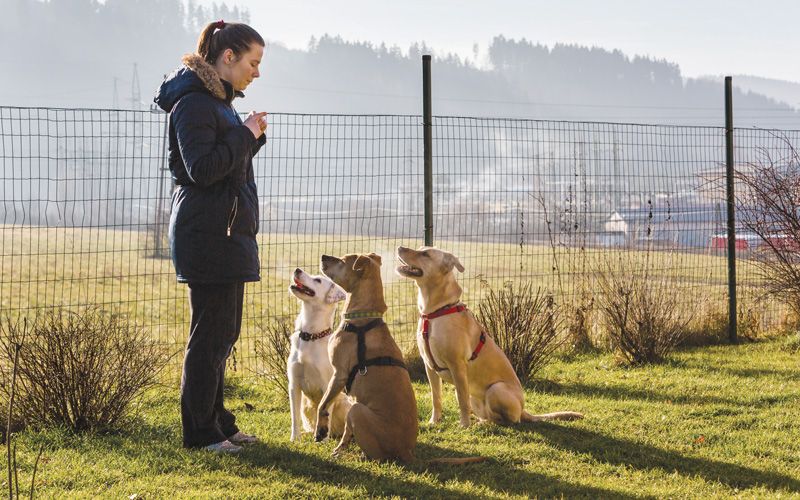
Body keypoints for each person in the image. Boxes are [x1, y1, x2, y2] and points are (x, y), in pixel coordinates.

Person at [154, 20, 266, 453]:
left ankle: (218, 423)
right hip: (207, 235)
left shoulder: (219, 103)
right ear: (228, 57)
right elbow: (201, 169)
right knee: (210, 337)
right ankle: (200, 434)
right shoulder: (195, 105)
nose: (256, 72)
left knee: (223, 334)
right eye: (253, 62)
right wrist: (244, 134)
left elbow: (223, 167)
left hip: (225, 232)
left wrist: (248, 139)